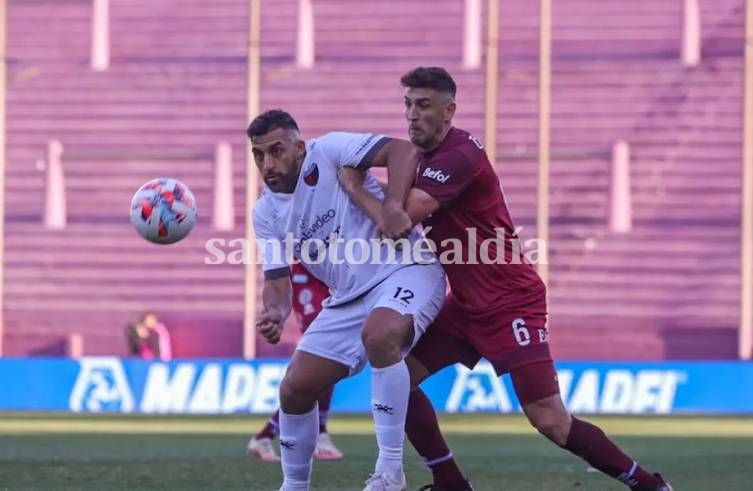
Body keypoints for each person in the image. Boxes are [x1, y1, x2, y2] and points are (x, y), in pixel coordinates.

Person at [338, 66, 673, 491]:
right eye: (407, 104)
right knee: (396, 378)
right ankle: (450, 483)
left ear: (449, 111)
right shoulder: (421, 157)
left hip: (509, 300)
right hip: (467, 305)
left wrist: (353, 185)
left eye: (423, 105)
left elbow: (399, 221)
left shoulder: (461, 156)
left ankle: (650, 486)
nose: (412, 115)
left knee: (550, 420)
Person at [248, 109, 446, 491]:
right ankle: (294, 486)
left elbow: (402, 150)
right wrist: (274, 311)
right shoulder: (266, 212)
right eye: (259, 155)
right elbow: (276, 279)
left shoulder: (330, 150)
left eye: (276, 151)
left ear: (299, 147)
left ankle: (390, 470)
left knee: (381, 334)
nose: (267, 164)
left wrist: (391, 205)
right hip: (348, 299)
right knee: (295, 388)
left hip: (405, 269)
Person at [247, 262, 344, 462]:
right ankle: (313, 434)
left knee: (332, 358)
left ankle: (314, 433)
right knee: (323, 353)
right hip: (308, 274)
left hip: (333, 278)